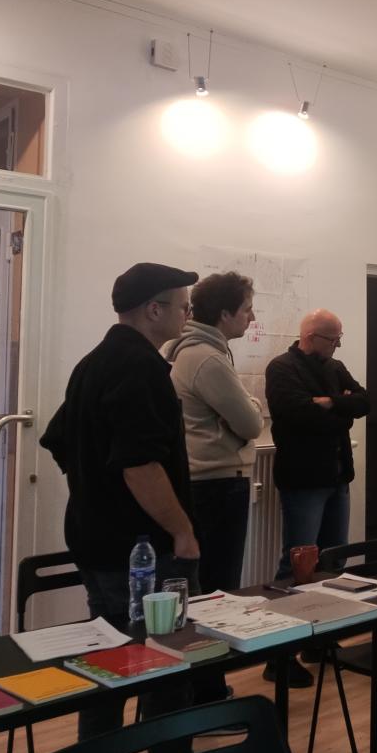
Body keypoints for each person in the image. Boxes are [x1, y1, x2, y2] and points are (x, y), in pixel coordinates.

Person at [39, 262, 200, 748]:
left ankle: (99, 751)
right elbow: (140, 466)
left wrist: (94, 489)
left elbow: (58, 439)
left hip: (95, 537)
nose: (188, 315)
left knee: (107, 663)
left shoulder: (92, 362)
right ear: (154, 309)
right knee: (163, 664)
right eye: (183, 306)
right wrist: (182, 531)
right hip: (140, 549)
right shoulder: (140, 366)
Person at [163, 271, 263, 705]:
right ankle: (208, 695)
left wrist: (240, 410)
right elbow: (252, 422)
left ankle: (201, 690)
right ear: (224, 314)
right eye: (246, 310)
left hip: (204, 485)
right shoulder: (206, 358)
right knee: (217, 594)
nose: (251, 317)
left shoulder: (188, 351)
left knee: (204, 590)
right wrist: (247, 407)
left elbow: (239, 416)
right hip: (217, 485)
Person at [264, 308, 369, 685]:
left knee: (331, 564)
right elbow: (296, 415)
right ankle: (278, 655)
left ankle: (319, 641)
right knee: (296, 566)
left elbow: (364, 402)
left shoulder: (335, 367)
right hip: (304, 480)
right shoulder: (281, 368)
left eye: (340, 338)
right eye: (332, 338)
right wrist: (339, 408)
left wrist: (330, 403)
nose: (338, 344)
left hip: (337, 477)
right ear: (310, 336)